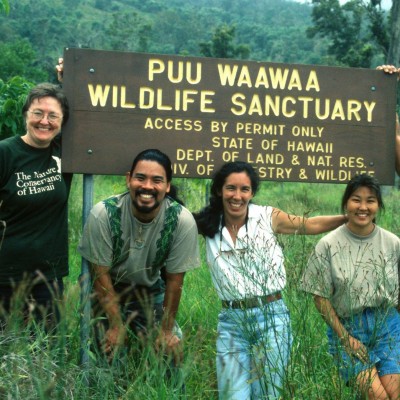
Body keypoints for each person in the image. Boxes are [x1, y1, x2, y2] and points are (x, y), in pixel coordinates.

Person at [193, 161, 346, 399]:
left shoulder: (266, 216)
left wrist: (349, 217)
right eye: (230, 188)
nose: (237, 196)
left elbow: (310, 224)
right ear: (219, 191)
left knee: (267, 395)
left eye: (244, 189)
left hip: (272, 318)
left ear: (252, 192)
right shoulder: (207, 223)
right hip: (231, 323)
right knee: (233, 396)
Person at [77, 149, 200, 366]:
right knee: (107, 358)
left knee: (172, 353)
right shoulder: (104, 213)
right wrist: (116, 325)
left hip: (148, 293)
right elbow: (100, 275)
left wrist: (166, 330)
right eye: (140, 178)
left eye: (157, 180)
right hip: (105, 291)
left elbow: (174, 281)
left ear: (167, 186)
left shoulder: (181, 220)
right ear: (129, 179)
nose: (147, 186)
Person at [301, 173, 400, 399]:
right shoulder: (328, 244)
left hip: (388, 326)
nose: (362, 207)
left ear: (378, 205)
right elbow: (320, 297)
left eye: (370, 200)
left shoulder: (393, 243)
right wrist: (346, 339)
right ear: (346, 203)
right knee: (378, 396)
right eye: (356, 199)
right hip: (348, 328)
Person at [0, 83, 71, 328]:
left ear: (62, 122)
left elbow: (91, 113)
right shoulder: (6, 152)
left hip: (47, 276)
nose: (45, 121)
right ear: (25, 115)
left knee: (45, 353)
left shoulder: (66, 154)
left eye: (53, 115)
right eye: (37, 113)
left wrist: (67, 77)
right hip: (5, 275)